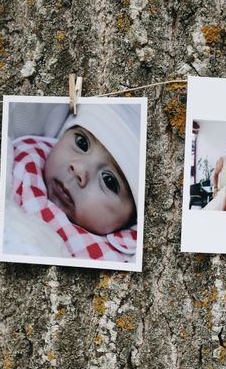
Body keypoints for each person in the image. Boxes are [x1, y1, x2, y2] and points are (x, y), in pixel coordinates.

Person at [9, 104, 139, 261]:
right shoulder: (16, 162)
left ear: (131, 221)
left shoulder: (121, 259)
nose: (78, 169)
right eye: (82, 143)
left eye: (108, 180)